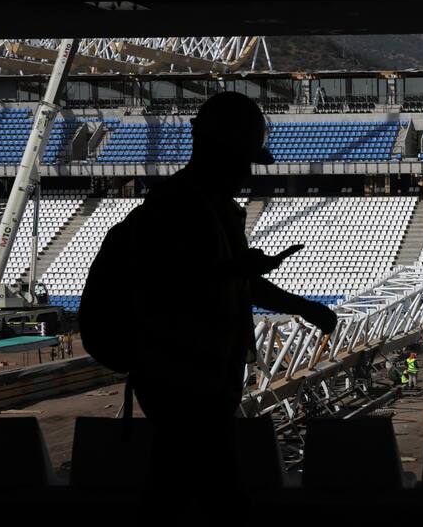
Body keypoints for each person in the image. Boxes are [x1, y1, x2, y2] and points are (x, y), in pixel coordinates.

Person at [88, 92, 338, 517]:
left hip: (197, 375)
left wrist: (301, 305)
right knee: (202, 485)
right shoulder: (178, 208)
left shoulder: (208, 208)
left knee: (180, 482)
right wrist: (237, 270)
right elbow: (169, 285)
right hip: (184, 377)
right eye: (241, 158)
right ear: (212, 148)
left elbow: (233, 280)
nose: (246, 171)